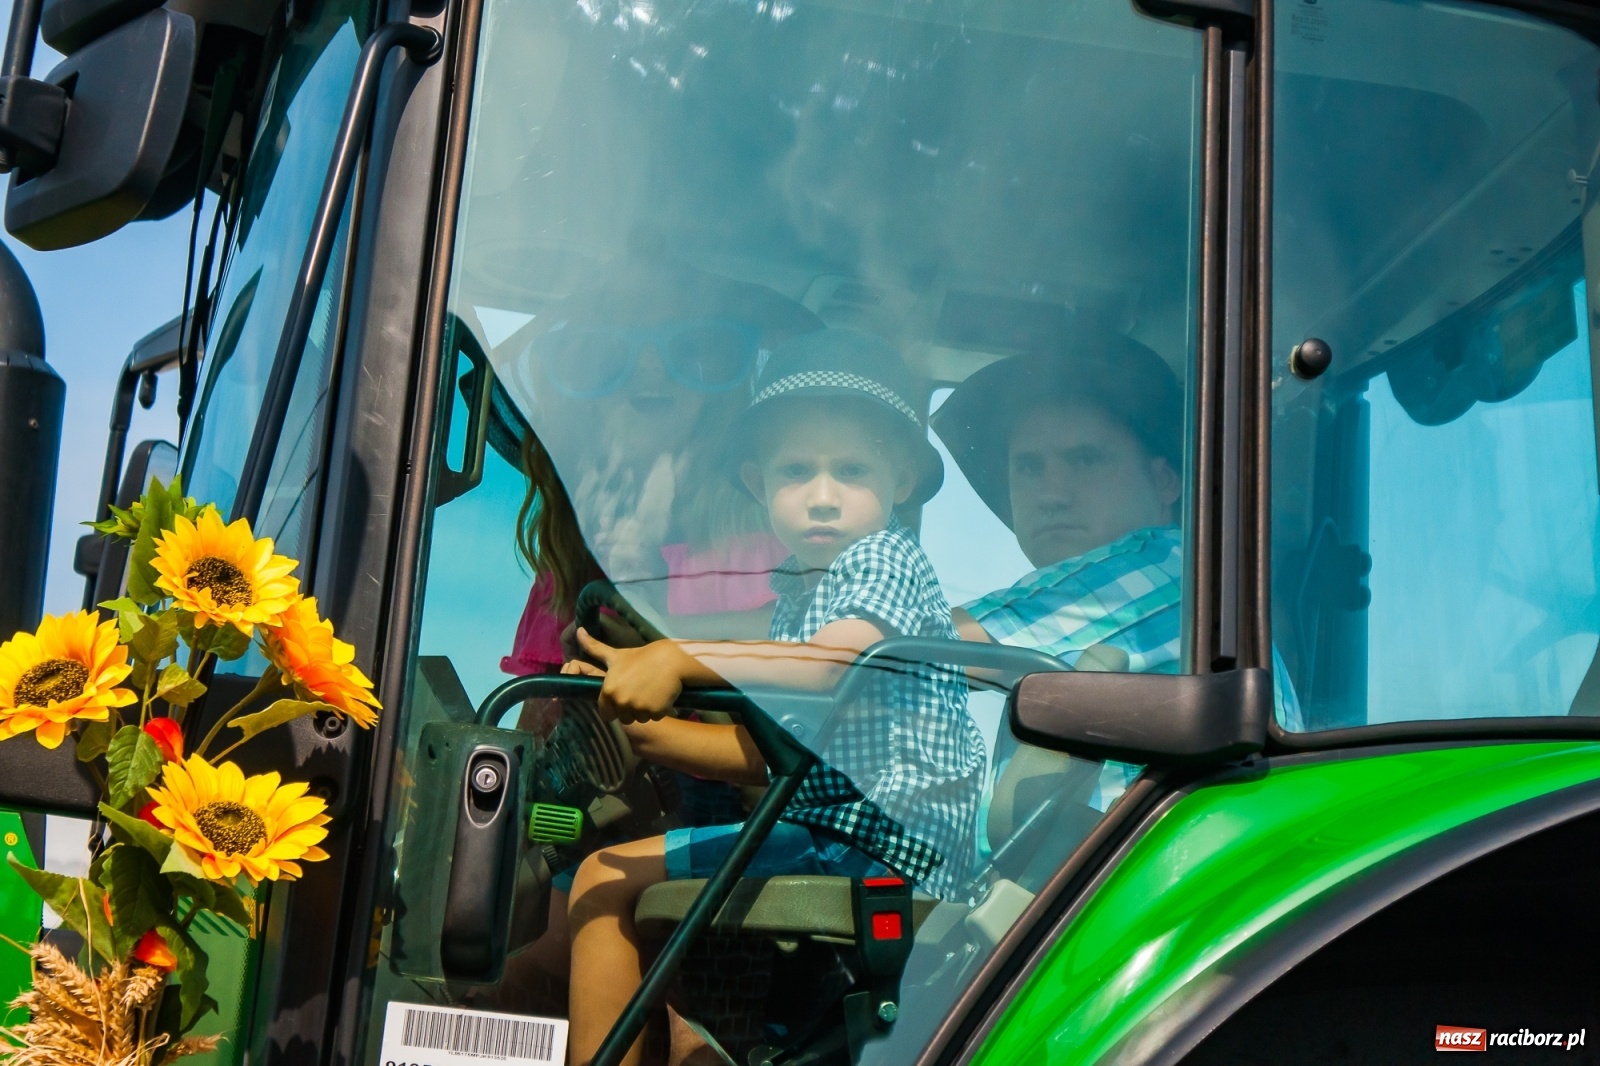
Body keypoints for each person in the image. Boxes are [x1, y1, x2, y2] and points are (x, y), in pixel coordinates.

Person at [560, 330, 984, 1066]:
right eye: (797, 472)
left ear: (901, 481)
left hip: (877, 843)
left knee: (602, 880)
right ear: (758, 484)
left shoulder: (879, 559)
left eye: (850, 470)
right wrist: (629, 710)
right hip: (836, 830)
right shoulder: (801, 587)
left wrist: (674, 656)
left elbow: (826, 667)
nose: (823, 496)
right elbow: (770, 758)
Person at [930, 333, 1303, 776]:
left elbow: (904, 654)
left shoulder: (1169, 568)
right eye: (1029, 467)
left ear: (1165, 481)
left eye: (1085, 460)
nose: (1050, 493)